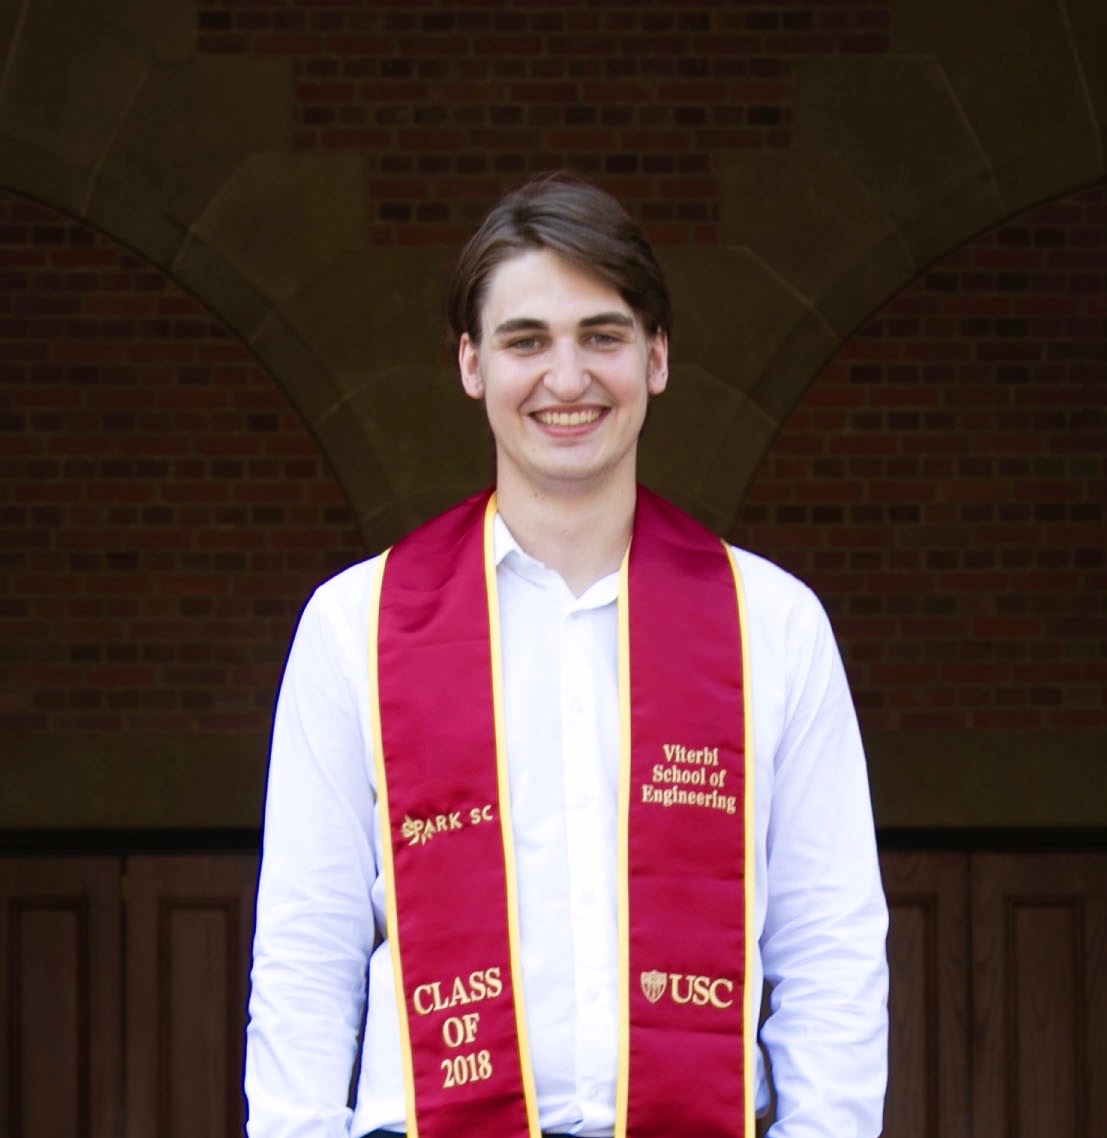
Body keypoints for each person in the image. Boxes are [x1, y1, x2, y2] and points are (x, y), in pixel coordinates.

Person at [245, 174, 889, 1138]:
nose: (567, 377)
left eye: (601, 336)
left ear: (657, 357)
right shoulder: (354, 626)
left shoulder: (774, 625)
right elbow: (305, 951)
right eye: (525, 341)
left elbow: (831, 946)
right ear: (471, 364)